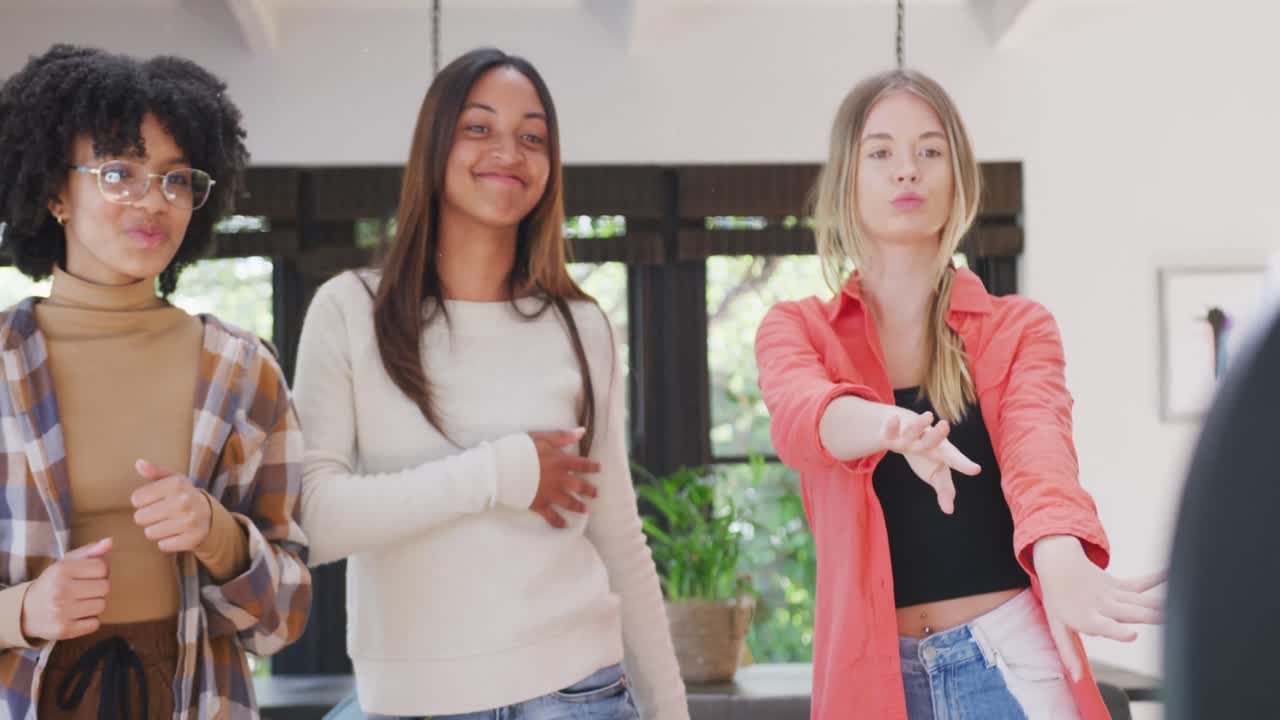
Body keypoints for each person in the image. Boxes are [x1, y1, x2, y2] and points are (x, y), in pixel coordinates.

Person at [754, 68, 1163, 719]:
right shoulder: (797, 328)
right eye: (881, 152)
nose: (907, 170)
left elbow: (1040, 453)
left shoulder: (1019, 327)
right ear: (847, 179)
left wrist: (1060, 553)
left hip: (1010, 658)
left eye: (930, 150)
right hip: (873, 678)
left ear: (958, 178)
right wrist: (893, 428)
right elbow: (805, 421)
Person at [293, 47, 688, 719]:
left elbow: (618, 536)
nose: (508, 152)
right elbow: (313, 519)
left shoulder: (581, 325)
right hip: (412, 702)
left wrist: (671, 709)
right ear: (434, 146)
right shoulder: (350, 309)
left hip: (576, 692)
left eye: (532, 137)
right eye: (479, 127)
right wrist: (497, 474)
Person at [0, 45, 312, 719]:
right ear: (54, 192)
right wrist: (20, 610)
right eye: (119, 173)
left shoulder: (243, 369)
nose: (155, 201)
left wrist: (219, 535)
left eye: (176, 179)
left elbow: (284, 620)